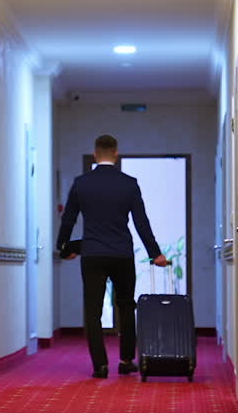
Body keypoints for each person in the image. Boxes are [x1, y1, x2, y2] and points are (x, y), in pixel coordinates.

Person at [56, 134, 170, 378]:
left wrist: (63, 248)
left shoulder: (81, 183)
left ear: (95, 154)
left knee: (93, 310)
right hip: (122, 254)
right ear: (116, 154)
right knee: (126, 306)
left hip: (93, 255)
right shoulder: (129, 184)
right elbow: (141, 222)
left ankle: (100, 366)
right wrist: (155, 253)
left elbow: (69, 219)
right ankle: (127, 360)